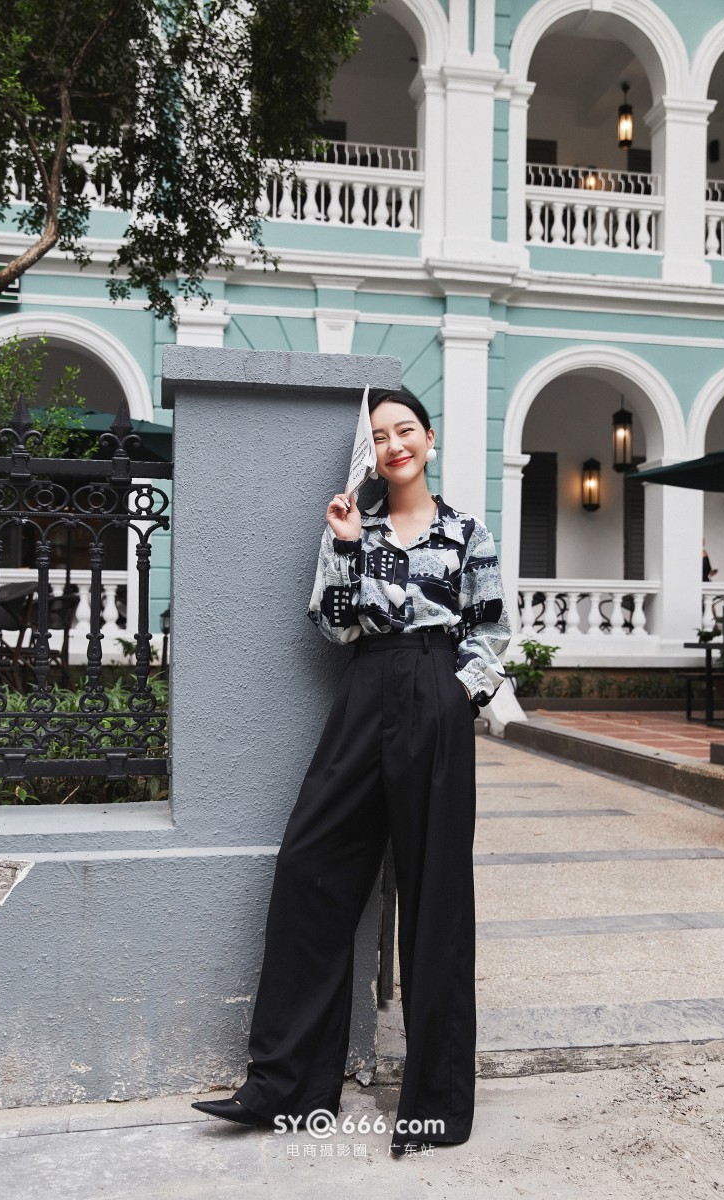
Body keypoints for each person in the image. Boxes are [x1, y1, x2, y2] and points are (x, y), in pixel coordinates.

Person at [192, 388, 511, 1156]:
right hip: (366, 688)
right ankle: (287, 1087)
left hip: (436, 694)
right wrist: (339, 543)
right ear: (371, 453)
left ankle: (433, 1107)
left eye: (406, 430)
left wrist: (457, 698)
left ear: (428, 439)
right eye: (380, 436)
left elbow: (492, 631)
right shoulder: (354, 529)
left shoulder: (467, 532)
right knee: (310, 869)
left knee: (436, 899)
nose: (394, 444)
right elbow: (334, 626)